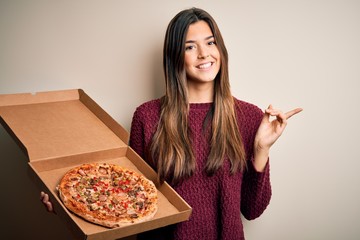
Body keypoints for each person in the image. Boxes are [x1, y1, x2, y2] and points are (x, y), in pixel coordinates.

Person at [41, 7, 302, 240]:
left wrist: (261, 150)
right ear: (175, 56)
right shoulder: (148, 116)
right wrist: (69, 207)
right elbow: (129, 201)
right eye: (190, 47)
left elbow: (252, 210)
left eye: (210, 43)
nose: (204, 54)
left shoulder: (249, 117)